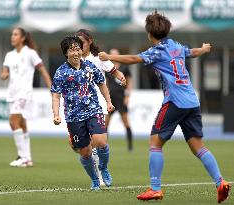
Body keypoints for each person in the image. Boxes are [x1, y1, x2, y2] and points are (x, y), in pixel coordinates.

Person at [98, 11, 230, 203]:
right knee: (198, 147)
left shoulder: (157, 51)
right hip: (192, 101)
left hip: (175, 101)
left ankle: (155, 188)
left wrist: (107, 55)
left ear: (149, 34)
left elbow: (135, 59)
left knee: (155, 142)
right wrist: (203, 49)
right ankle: (220, 182)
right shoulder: (176, 46)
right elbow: (191, 53)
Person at [51, 35, 114, 190]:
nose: (76, 52)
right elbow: (56, 95)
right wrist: (56, 114)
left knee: (101, 142)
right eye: (72, 50)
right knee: (85, 152)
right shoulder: (61, 72)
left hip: (94, 110)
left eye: (78, 49)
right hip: (73, 117)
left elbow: (101, 84)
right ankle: (94, 180)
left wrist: (108, 102)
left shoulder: (90, 67)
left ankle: (103, 168)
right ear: (66, 53)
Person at [76, 29, 126, 185]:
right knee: (85, 145)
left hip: (98, 104)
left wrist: (120, 77)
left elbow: (114, 70)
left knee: (98, 141)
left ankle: (101, 171)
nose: (78, 46)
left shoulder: (98, 58)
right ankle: (97, 174)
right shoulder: (73, 59)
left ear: (89, 41)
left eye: (81, 43)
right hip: (79, 107)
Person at [0, 27, 52, 167]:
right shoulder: (9, 55)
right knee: (21, 124)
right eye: (12, 34)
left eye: (15, 34)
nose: (12, 37)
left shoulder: (30, 53)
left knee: (13, 121)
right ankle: (27, 158)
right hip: (12, 93)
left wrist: (51, 88)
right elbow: (4, 72)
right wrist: (4, 74)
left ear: (23, 38)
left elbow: (42, 70)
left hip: (24, 93)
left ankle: (22, 157)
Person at [105, 48, 133, 151]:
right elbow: (106, 84)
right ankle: (104, 145)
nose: (112, 56)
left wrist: (127, 96)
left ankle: (130, 147)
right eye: (111, 54)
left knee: (126, 123)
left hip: (121, 98)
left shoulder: (125, 68)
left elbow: (129, 82)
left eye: (114, 54)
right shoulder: (108, 68)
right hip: (111, 100)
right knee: (106, 124)